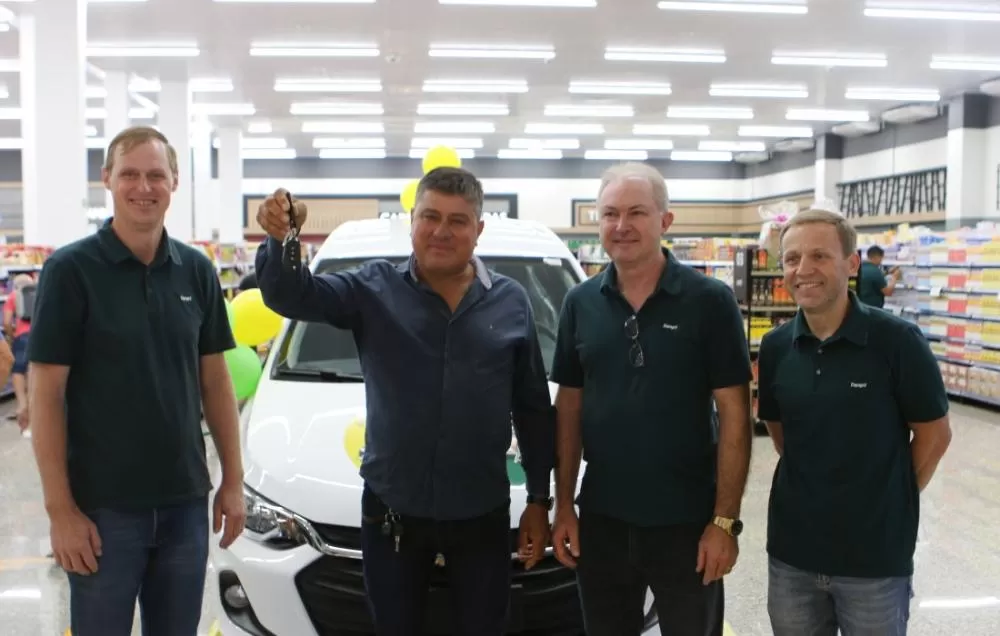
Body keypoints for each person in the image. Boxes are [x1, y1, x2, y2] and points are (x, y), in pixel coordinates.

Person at [254, 167, 555, 636]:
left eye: (457, 220)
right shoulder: (372, 289)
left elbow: (533, 406)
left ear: (478, 229)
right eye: (430, 216)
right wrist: (281, 239)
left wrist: (538, 499)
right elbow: (290, 295)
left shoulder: (511, 302)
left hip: (481, 514)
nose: (441, 231)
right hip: (392, 513)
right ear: (412, 221)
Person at [27, 125, 247, 636]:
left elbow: (216, 384)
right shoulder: (70, 271)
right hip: (102, 510)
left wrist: (232, 481)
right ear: (107, 178)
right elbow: (46, 395)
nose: (143, 187)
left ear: (174, 183)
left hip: (184, 503)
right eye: (129, 174)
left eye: (156, 175)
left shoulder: (196, 271)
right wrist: (61, 511)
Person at [549, 163, 753, 636]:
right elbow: (569, 409)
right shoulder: (580, 303)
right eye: (610, 213)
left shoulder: (710, 301)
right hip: (602, 518)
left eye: (637, 212)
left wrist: (725, 522)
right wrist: (563, 506)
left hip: (688, 522)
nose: (622, 225)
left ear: (665, 220)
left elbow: (736, 415)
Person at [757, 208, 952, 636]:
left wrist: (889, 495)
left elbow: (935, 435)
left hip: (874, 559)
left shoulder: (897, 341)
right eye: (792, 259)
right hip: (792, 554)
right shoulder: (775, 347)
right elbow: (783, 436)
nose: (803, 270)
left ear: (851, 263)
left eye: (819, 256)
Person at [4, 273, 34, 434]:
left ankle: (22, 404)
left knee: (18, 370)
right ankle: (32, 404)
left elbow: (7, 322)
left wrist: (11, 336)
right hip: (39, 335)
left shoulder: (13, 296)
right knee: (32, 369)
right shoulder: (40, 293)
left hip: (22, 337)